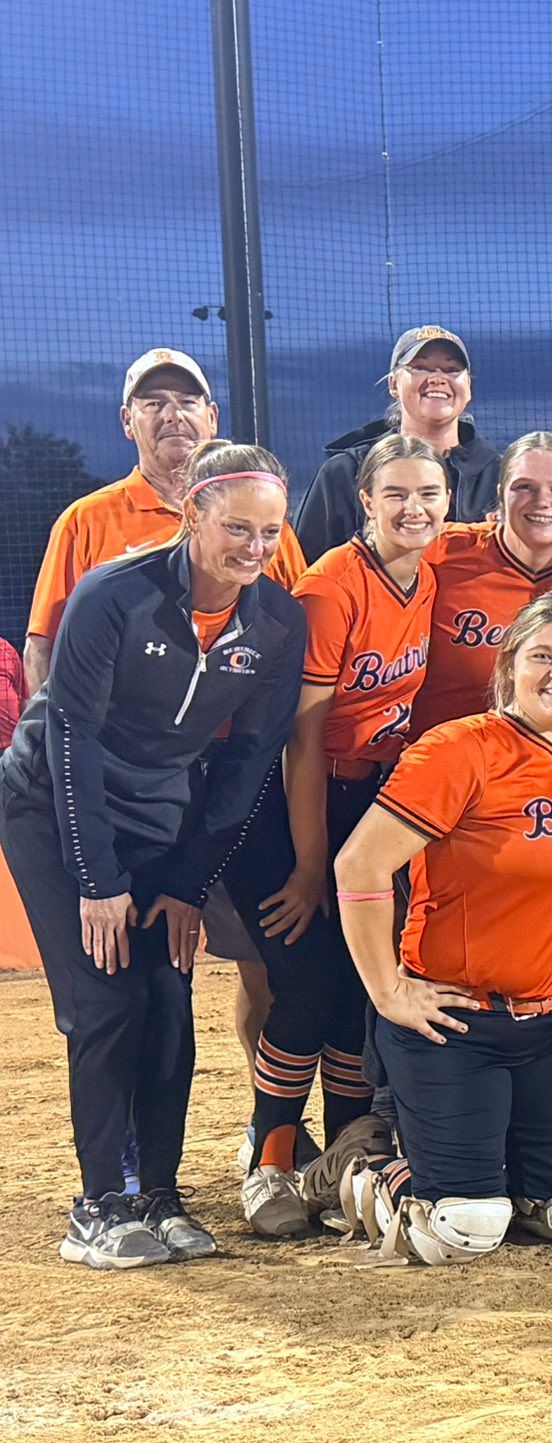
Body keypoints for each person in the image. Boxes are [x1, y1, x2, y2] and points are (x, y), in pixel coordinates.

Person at [0, 440, 306, 1268]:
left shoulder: (277, 621)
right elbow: (70, 735)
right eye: (237, 527)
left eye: (270, 532)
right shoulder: (114, 596)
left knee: (167, 1003)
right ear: (192, 515)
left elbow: (247, 762)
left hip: (162, 820)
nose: (254, 547)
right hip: (53, 804)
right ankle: (98, 1208)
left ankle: (163, 1199)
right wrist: (97, 881)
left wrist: (184, 885)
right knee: (105, 1004)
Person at [329, 591, 552, 1266]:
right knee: (464, 1228)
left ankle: (477, 1163)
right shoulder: (460, 749)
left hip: (551, 1028)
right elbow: (360, 865)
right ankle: (367, 1168)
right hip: (456, 1025)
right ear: (508, 666)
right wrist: (387, 992)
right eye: (541, 656)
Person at [225, 435, 448, 1237]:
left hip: (364, 796)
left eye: (429, 493)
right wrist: (313, 866)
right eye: (396, 493)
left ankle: (346, 1155)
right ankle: (270, 1158)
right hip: (285, 803)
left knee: (360, 988)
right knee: (311, 986)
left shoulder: (424, 574)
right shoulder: (333, 587)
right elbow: (303, 741)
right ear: (364, 500)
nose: (413, 508)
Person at [27, 348, 305, 693]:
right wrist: (50, 740)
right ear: (128, 421)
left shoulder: (265, 527)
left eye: (188, 402)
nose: (173, 415)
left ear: (213, 417)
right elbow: (44, 645)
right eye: (154, 404)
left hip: (243, 739)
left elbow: (299, 636)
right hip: (121, 740)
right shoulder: (86, 520)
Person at [407, 431, 552, 738]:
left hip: (542, 768)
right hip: (438, 763)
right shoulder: (442, 553)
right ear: (501, 496)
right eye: (524, 488)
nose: (542, 502)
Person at [292, 326, 501, 562]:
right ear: (393, 384)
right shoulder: (344, 472)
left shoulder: (501, 477)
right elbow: (304, 568)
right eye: (420, 367)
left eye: (452, 370)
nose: (438, 378)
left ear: (469, 388)